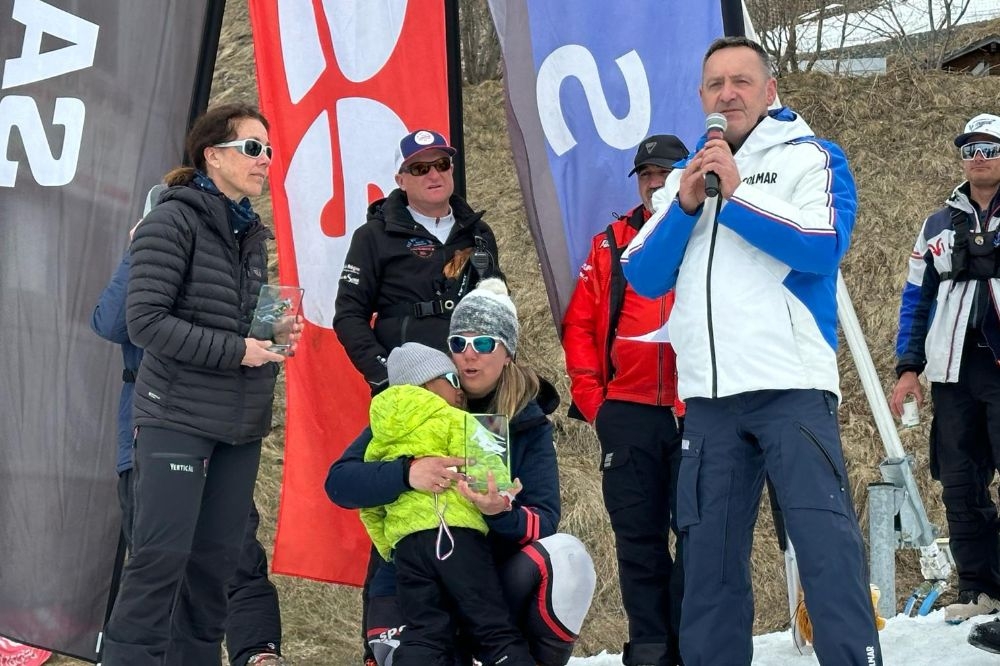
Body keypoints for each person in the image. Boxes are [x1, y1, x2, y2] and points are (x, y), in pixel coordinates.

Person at [621, 36, 882, 665]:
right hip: (710, 400)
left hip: (789, 386)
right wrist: (685, 205)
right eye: (715, 84)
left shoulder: (809, 157)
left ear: (770, 90)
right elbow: (642, 273)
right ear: (701, 96)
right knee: (708, 566)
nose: (727, 93)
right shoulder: (691, 175)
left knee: (825, 552)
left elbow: (821, 246)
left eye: (741, 81)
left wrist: (736, 194)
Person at [101, 103, 300, 666]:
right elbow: (146, 322)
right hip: (176, 417)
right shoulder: (172, 219)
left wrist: (271, 330)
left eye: (269, 150)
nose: (265, 160)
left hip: (238, 425)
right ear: (213, 155)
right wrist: (239, 349)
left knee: (214, 568)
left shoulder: (250, 234)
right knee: (159, 562)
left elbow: (222, 319)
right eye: (253, 148)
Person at [326, 279, 596, 666]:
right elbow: (340, 483)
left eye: (484, 343)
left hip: (487, 578)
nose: (469, 355)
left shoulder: (525, 422)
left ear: (508, 352)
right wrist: (407, 473)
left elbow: (545, 520)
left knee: (568, 557)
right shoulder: (417, 408)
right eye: (458, 343)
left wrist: (499, 512)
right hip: (409, 583)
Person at [562, 134, 688, 666]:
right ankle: (651, 646)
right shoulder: (610, 243)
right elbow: (581, 327)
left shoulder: (709, 231)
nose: (655, 182)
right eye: (646, 175)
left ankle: (690, 641)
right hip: (629, 413)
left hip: (698, 411)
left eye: (664, 172)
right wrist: (597, 405)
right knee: (638, 539)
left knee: (700, 536)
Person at [360, 341, 534, 665]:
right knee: (494, 629)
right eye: (452, 381)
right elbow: (490, 476)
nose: (460, 392)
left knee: (424, 632)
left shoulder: (380, 437)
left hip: (408, 547)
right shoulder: (460, 420)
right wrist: (506, 496)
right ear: (427, 385)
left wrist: (389, 547)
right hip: (459, 537)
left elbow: (370, 506)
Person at [890, 113, 1000, 624]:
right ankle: (979, 588)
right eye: (970, 148)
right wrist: (908, 369)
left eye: (990, 147)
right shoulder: (937, 224)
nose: (979, 157)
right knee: (959, 481)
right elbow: (916, 298)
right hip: (954, 371)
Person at [334, 128, 501, 395]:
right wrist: (383, 374)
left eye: (441, 165)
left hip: (478, 384)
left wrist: (502, 363)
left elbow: (499, 307)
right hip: (411, 387)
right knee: (416, 440)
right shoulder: (373, 236)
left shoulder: (479, 233)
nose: (434, 175)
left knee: (492, 437)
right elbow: (349, 315)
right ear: (401, 180)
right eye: (420, 168)